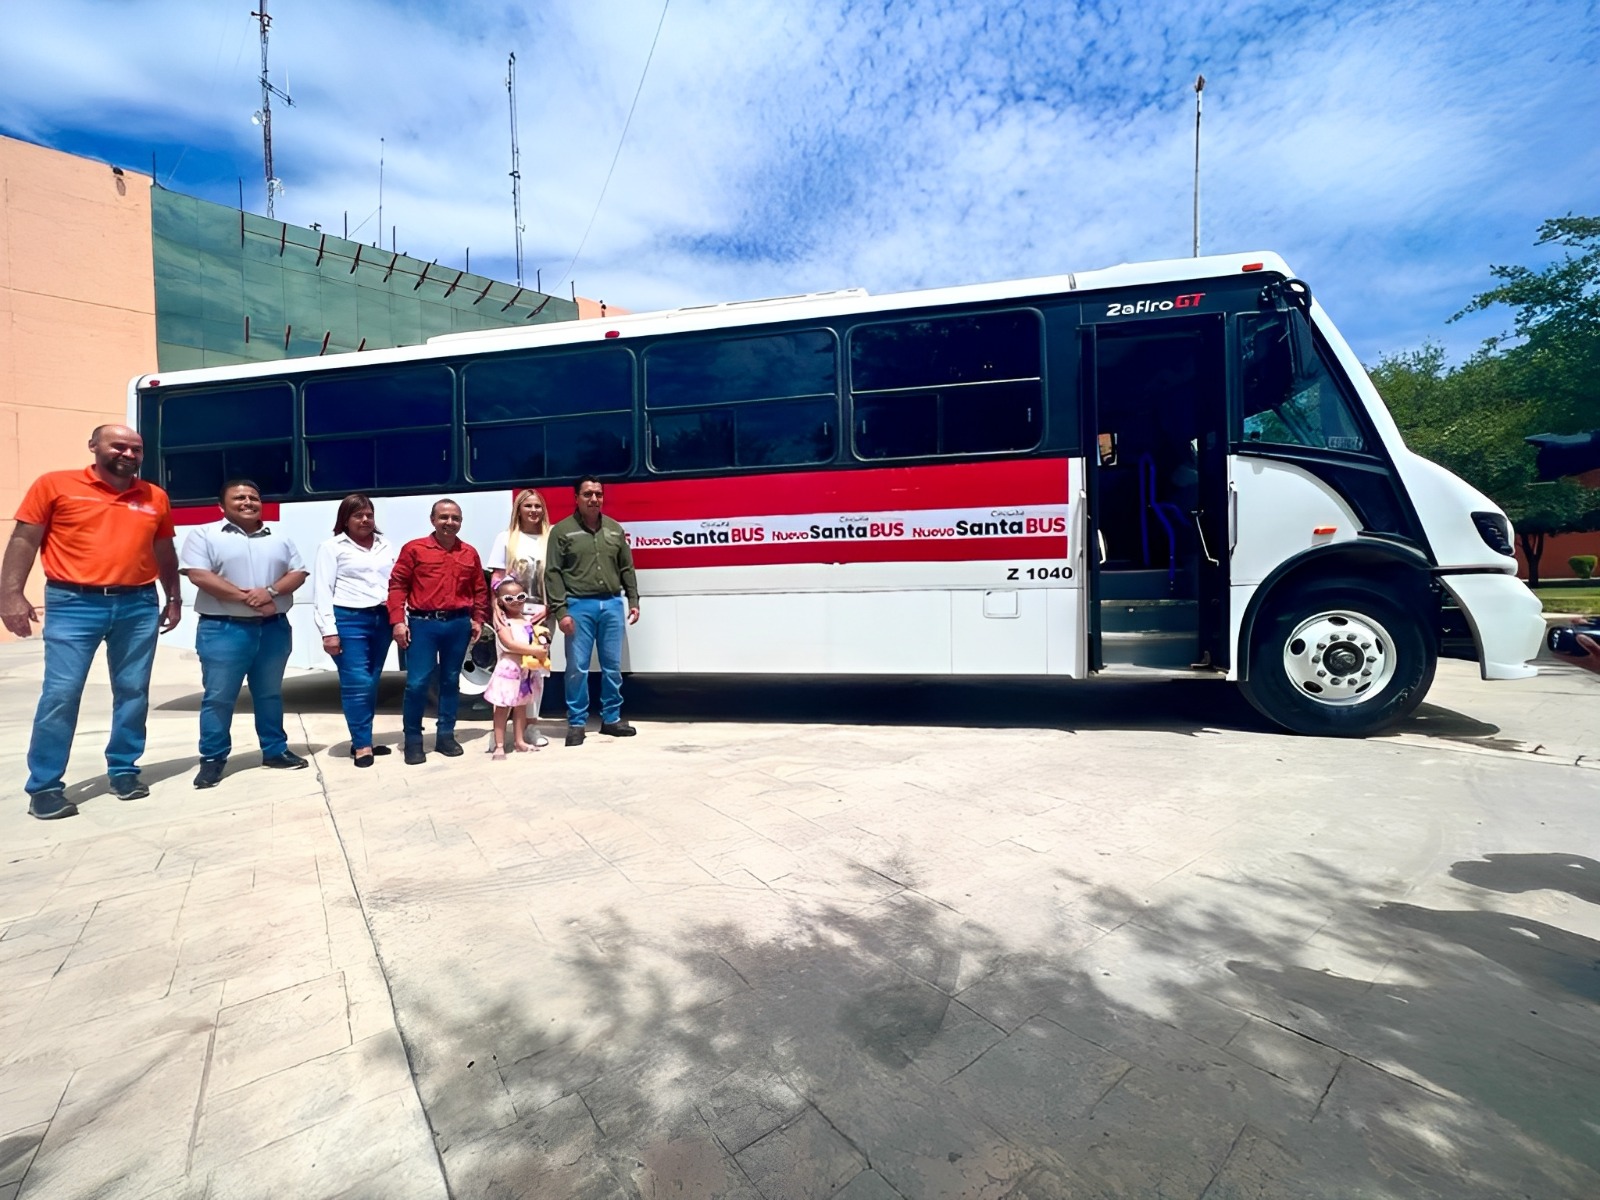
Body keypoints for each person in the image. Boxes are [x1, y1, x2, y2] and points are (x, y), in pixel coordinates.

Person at [2, 425, 183, 819]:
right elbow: (23, 541)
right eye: (118, 446)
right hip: (72, 603)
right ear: (93, 447)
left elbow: (163, 550)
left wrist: (173, 596)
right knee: (61, 694)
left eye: (136, 448)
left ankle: (123, 770)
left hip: (137, 603)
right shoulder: (54, 485)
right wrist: (10, 595)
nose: (129, 454)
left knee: (133, 691)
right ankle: (45, 786)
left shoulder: (154, 496)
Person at [180, 479, 309, 789]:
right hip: (224, 629)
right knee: (219, 697)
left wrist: (270, 592)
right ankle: (212, 759)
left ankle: (274, 750)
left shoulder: (279, 537)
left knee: (269, 694)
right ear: (222, 506)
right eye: (239, 497)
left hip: (273, 629)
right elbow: (199, 575)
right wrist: (249, 599)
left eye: (253, 496)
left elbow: (298, 573)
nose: (248, 502)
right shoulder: (204, 534)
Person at [388, 498, 490, 765]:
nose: (449, 522)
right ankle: (413, 740)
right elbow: (397, 585)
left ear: (461, 522)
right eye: (444, 517)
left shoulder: (469, 553)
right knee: (417, 683)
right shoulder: (414, 549)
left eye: (455, 518)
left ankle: (446, 735)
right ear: (433, 520)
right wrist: (398, 621)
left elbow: (480, 589)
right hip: (423, 624)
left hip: (458, 624)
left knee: (450, 681)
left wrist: (478, 619)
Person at [545, 475, 639, 746]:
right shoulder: (562, 531)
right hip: (578, 606)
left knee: (612, 667)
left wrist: (633, 600)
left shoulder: (614, 529)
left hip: (611, 604)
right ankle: (576, 722)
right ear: (576, 498)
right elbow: (552, 573)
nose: (594, 499)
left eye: (598, 494)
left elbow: (626, 568)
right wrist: (561, 612)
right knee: (577, 668)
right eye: (587, 494)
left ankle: (611, 719)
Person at [312, 494, 399, 768]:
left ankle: (363, 737)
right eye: (357, 515)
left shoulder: (385, 545)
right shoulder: (332, 547)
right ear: (345, 520)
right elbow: (322, 591)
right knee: (357, 684)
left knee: (372, 681)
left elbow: (394, 582)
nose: (364, 520)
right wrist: (328, 630)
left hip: (382, 619)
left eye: (369, 515)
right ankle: (362, 746)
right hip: (349, 619)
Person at [488, 488, 552, 747]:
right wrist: (496, 608)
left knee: (536, 672)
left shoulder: (552, 536)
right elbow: (497, 578)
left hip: (540, 614)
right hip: (512, 615)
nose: (534, 511)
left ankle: (531, 728)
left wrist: (550, 608)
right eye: (528, 506)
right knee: (508, 672)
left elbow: (558, 577)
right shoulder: (505, 538)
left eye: (538, 506)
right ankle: (499, 731)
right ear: (519, 510)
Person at [483, 577, 550, 759]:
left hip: (525, 670)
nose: (516, 602)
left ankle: (520, 741)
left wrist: (543, 641)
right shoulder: (502, 621)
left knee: (521, 706)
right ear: (500, 601)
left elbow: (538, 635)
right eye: (509, 599)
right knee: (503, 707)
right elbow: (509, 644)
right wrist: (536, 650)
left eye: (520, 597)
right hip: (509, 669)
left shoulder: (527, 619)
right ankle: (499, 744)